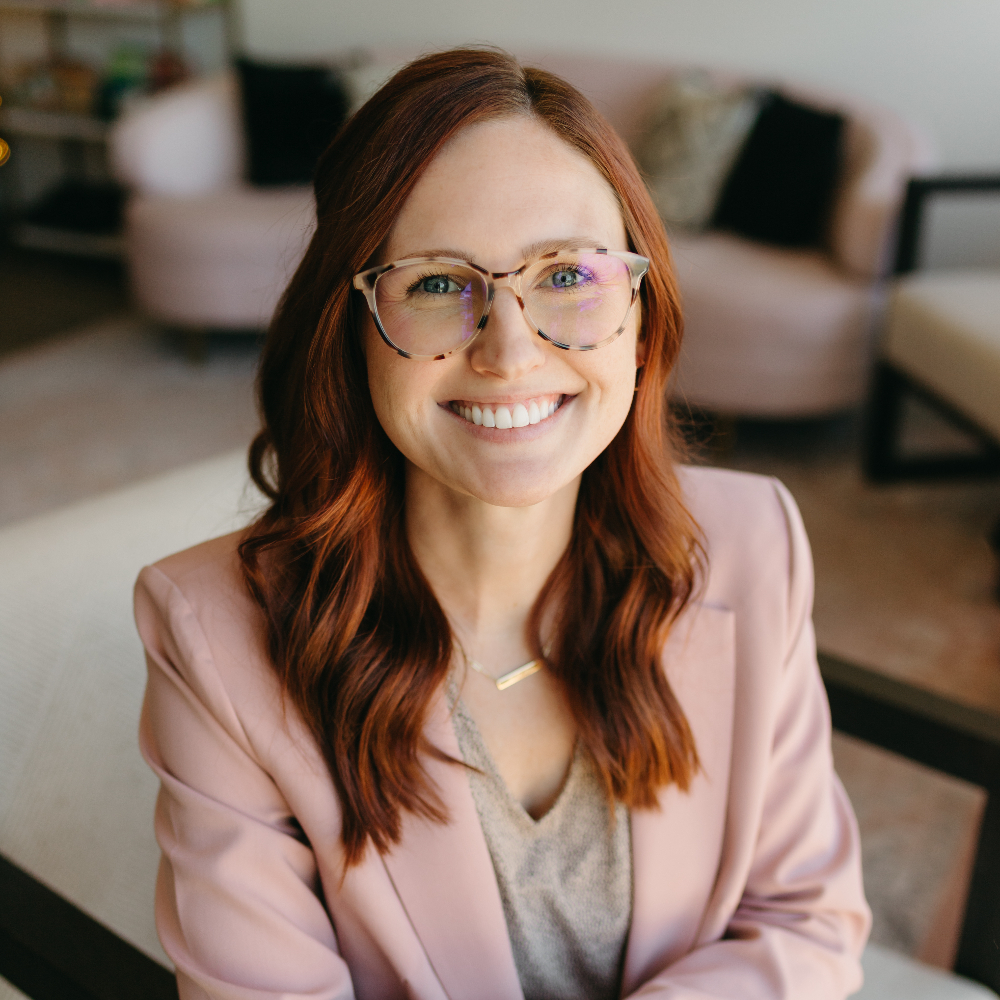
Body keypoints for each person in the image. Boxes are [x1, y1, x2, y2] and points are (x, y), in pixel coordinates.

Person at [136, 48, 871, 1000]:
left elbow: (808, 924)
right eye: (438, 284)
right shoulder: (210, 631)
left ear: (640, 316)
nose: (510, 350)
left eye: (567, 273)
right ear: (350, 327)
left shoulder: (753, 540)